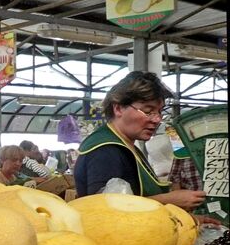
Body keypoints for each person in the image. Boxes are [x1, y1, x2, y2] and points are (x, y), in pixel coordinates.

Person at [73, 71, 204, 209]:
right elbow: (104, 210)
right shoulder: (106, 151)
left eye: (159, 111)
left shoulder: (128, 147)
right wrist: (167, 201)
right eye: (148, 111)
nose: (157, 119)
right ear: (118, 108)